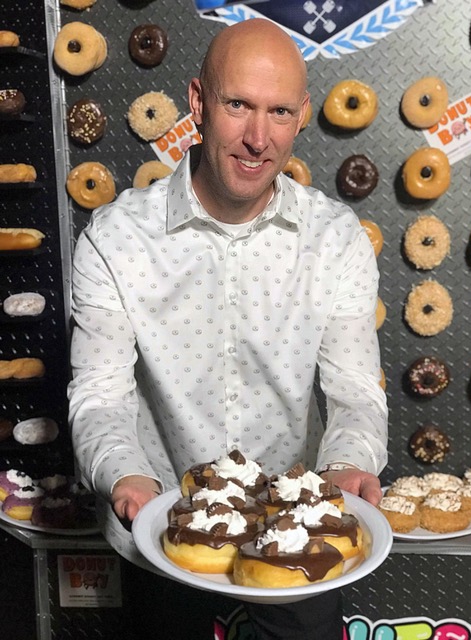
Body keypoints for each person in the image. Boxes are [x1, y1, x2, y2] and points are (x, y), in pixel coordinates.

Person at [68, 17, 388, 640]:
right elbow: (99, 393)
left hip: (299, 544)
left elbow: (355, 390)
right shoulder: (114, 239)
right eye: (237, 105)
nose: (256, 138)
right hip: (161, 536)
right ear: (197, 103)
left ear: (301, 117)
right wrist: (124, 476)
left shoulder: (337, 240)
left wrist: (349, 463)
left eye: (277, 112)